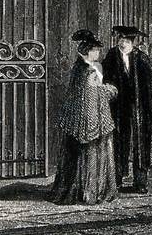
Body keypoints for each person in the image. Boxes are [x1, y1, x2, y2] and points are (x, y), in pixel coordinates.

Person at [103, 26, 152, 193]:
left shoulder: (140, 57)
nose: (122, 43)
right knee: (118, 142)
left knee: (141, 143)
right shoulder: (111, 56)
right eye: (120, 40)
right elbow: (104, 76)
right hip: (118, 107)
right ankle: (116, 181)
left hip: (138, 107)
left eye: (126, 41)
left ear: (132, 42)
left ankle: (140, 183)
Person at [50, 29, 119, 206]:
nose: (98, 53)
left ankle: (83, 190)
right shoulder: (88, 71)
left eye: (98, 49)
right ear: (86, 51)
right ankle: (90, 192)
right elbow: (93, 95)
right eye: (94, 50)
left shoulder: (85, 67)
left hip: (84, 116)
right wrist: (110, 90)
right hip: (91, 118)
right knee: (91, 153)